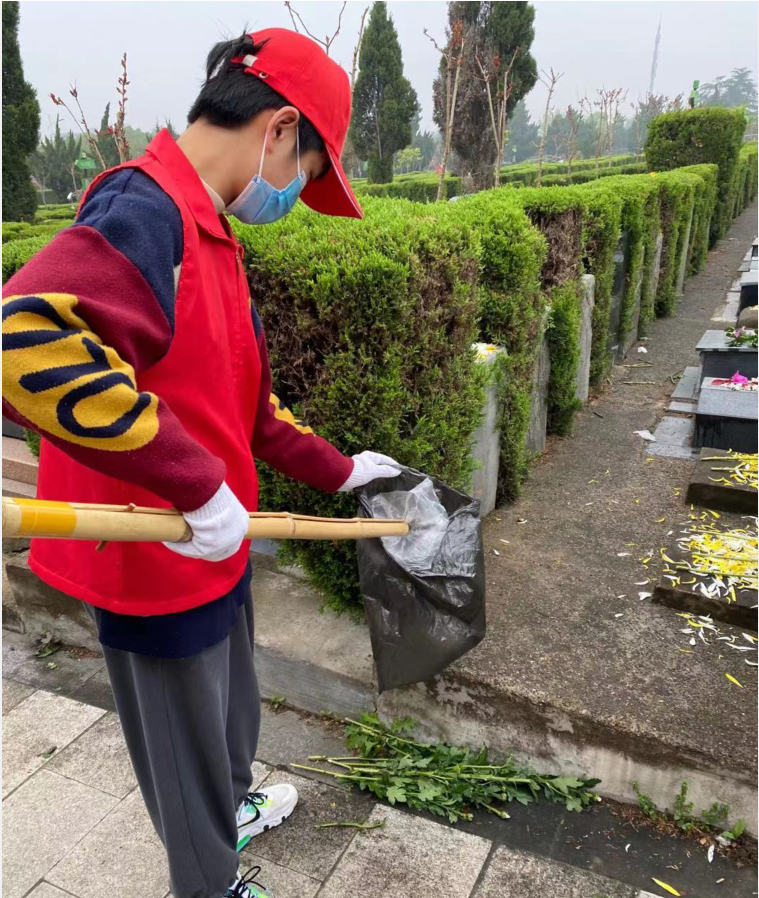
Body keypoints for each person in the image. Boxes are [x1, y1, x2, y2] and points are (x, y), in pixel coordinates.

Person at [2, 28, 400, 898]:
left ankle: (229, 809)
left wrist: (341, 470)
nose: (295, 193)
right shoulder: (141, 208)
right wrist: (191, 480)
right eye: (308, 175)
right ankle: (210, 881)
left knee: (230, 716)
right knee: (182, 749)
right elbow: (22, 338)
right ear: (280, 129)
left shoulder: (209, 232)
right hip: (155, 553)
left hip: (218, 538)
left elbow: (246, 405)